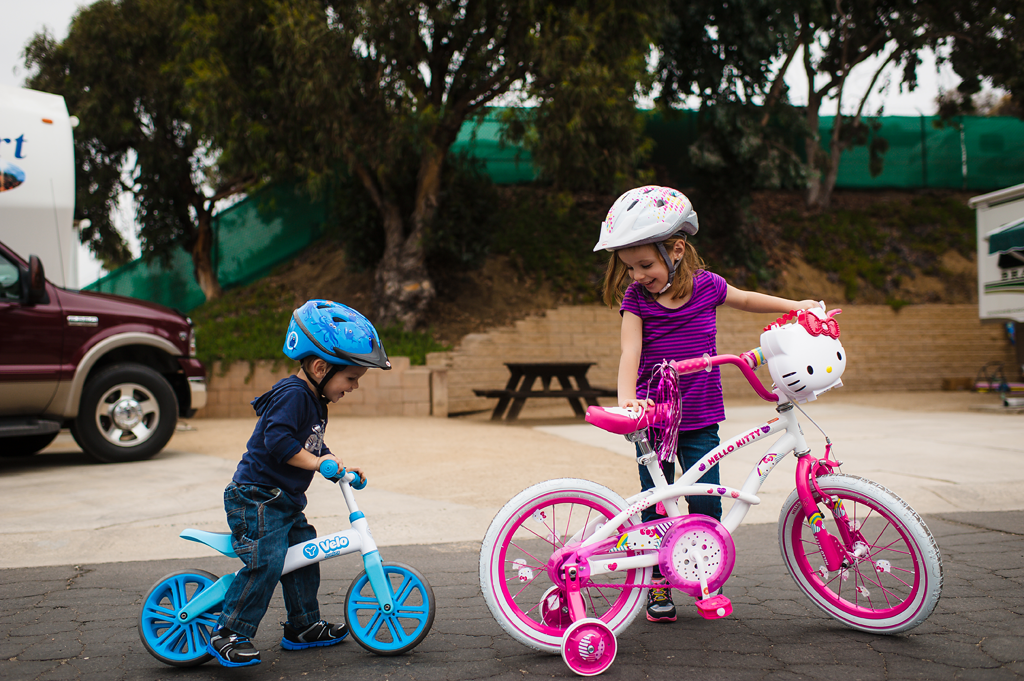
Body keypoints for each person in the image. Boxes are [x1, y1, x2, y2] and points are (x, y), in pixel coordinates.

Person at [595, 186, 821, 623]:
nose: (637, 275)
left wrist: (797, 306)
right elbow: (630, 354)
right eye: (629, 268)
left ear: (676, 249)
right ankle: (657, 586)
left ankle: (700, 573)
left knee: (706, 501)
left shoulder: (707, 286)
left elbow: (747, 299)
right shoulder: (636, 299)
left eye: (644, 264)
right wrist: (628, 406)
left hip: (700, 418)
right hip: (654, 420)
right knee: (655, 505)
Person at [208, 299, 392, 667]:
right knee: (268, 559)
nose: (354, 386)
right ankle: (230, 630)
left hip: (284, 502)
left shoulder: (313, 399)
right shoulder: (293, 394)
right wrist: (317, 462)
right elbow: (278, 443)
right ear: (321, 367)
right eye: (352, 378)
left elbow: (310, 444)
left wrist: (336, 464)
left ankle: (303, 626)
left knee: (305, 554)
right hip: (255, 498)